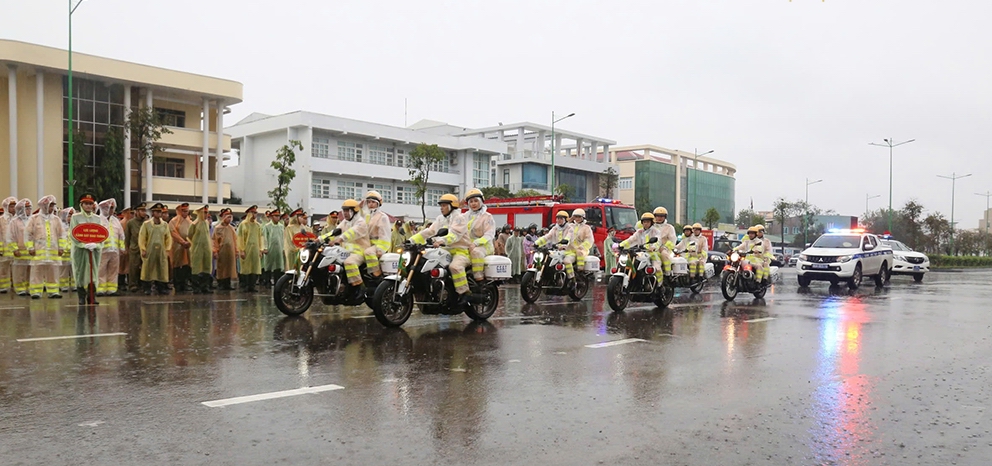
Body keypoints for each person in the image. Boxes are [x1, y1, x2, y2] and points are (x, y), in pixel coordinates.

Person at [433, 189, 495, 305]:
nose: (473, 204)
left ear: (482, 201)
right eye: (471, 201)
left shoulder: (487, 216)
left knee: (475, 253)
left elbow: (489, 234)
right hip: (467, 246)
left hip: (484, 245)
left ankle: (479, 279)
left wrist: (476, 243)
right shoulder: (464, 216)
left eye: (476, 201)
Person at [334, 191, 390, 289]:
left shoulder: (382, 217)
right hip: (366, 244)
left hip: (376, 245)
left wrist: (380, 249)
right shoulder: (366, 215)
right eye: (368, 202)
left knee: (368, 252)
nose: (370, 204)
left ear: (378, 203)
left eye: (373, 202)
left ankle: (376, 275)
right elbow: (356, 218)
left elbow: (384, 235)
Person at [25, 195, 65, 299]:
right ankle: (35, 292)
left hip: (53, 252)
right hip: (38, 251)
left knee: (53, 271)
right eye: (50, 206)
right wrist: (30, 248)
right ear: (44, 206)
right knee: (37, 271)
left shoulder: (56, 219)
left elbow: (61, 235)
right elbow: (28, 235)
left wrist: (61, 247)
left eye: (53, 206)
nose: (52, 208)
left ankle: (53, 291)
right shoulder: (34, 219)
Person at [69, 194, 102, 305]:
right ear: (81, 204)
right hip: (80, 250)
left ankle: (92, 296)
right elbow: (73, 234)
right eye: (86, 203)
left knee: (93, 273)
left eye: (90, 204)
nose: (88, 206)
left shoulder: (97, 219)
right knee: (80, 272)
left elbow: (101, 235)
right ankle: (81, 296)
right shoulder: (75, 217)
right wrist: (83, 245)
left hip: (94, 250)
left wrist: (96, 245)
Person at [615, 212, 664, 281]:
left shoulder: (655, 231)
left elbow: (658, 240)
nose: (645, 223)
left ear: (651, 223)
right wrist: (621, 245)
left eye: (647, 222)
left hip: (652, 253)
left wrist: (653, 247)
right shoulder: (639, 232)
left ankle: (659, 285)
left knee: (657, 268)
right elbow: (631, 240)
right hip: (640, 252)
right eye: (644, 222)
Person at [139, 203, 172, 295]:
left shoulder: (165, 225)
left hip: (161, 249)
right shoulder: (147, 224)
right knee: (148, 268)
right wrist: (143, 249)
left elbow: (168, 238)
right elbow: (142, 237)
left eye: (160, 212)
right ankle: (147, 287)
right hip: (150, 249)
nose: (159, 213)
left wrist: (167, 249)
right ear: (153, 213)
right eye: (157, 212)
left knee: (161, 267)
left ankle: (161, 287)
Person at [93, 198, 125, 296]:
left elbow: (121, 235)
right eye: (109, 208)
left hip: (114, 250)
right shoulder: (97, 220)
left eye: (112, 208)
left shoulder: (116, 221)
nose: (111, 210)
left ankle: (112, 289)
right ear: (103, 208)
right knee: (100, 270)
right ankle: (100, 289)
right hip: (102, 250)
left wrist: (122, 248)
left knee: (113, 270)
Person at [7, 198, 32, 296]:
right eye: (26, 208)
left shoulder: (32, 220)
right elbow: (10, 236)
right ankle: (20, 288)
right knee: (19, 270)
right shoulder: (14, 222)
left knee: (30, 270)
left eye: (30, 208)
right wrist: (14, 248)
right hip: (20, 251)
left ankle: (29, 288)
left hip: (31, 251)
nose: (28, 210)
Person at [237, 205, 263, 292]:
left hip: (255, 249)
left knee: (255, 267)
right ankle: (246, 286)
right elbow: (240, 238)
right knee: (246, 267)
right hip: (246, 249)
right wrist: (241, 250)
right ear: (249, 213)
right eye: (253, 212)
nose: (255, 215)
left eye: (256, 213)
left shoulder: (258, 225)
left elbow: (260, 238)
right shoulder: (243, 225)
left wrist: (260, 249)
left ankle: (252, 286)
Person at [168, 203, 193, 293]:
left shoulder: (190, 222)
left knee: (187, 265)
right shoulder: (173, 221)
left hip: (188, 247)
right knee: (178, 266)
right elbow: (173, 232)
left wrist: (189, 243)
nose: (185, 213)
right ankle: (177, 284)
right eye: (183, 211)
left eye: (186, 211)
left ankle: (185, 283)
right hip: (177, 247)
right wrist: (182, 242)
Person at [212, 208, 239, 290]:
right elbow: (214, 241)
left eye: (230, 217)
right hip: (222, 251)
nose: (229, 219)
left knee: (229, 267)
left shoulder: (231, 228)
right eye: (227, 217)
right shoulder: (217, 228)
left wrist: (236, 251)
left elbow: (235, 240)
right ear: (222, 217)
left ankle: (227, 284)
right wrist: (215, 251)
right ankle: (221, 284)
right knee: (221, 268)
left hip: (230, 251)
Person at [125, 203, 148, 292]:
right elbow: (127, 237)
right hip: (134, 248)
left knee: (144, 268)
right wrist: (126, 248)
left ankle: (143, 284)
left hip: (145, 249)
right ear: (137, 212)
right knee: (133, 268)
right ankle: (133, 285)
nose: (144, 213)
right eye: (142, 211)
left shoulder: (147, 223)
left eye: (144, 211)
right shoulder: (131, 223)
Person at [262, 209, 286, 287]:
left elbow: (283, 238)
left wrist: (283, 248)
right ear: (272, 217)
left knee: (278, 265)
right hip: (270, 248)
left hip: (279, 247)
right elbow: (265, 237)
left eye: (278, 216)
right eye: (276, 216)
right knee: (269, 265)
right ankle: (267, 281)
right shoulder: (267, 226)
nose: (277, 218)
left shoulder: (281, 226)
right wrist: (265, 248)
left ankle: (277, 282)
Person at [652, 207, 678, 276]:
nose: (659, 218)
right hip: (651, 249)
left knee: (664, 255)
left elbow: (672, 241)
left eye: (662, 216)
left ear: (665, 217)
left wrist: (664, 247)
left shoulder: (669, 227)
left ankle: (667, 274)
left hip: (664, 249)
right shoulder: (651, 226)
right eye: (657, 216)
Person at [58, 207, 75, 291]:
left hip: (73, 252)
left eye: (72, 215)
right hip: (64, 252)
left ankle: (74, 285)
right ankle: (63, 286)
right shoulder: (61, 226)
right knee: (63, 270)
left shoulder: (75, 226)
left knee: (74, 270)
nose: (70, 218)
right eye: (69, 216)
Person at [0, 197, 15, 293]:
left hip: (16, 250)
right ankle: (3, 287)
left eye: (14, 206)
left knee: (17, 269)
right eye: (11, 206)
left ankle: (16, 286)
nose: (13, 208)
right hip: (4, 249)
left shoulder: (17, 219)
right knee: (3, 269)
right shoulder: (1, 220)